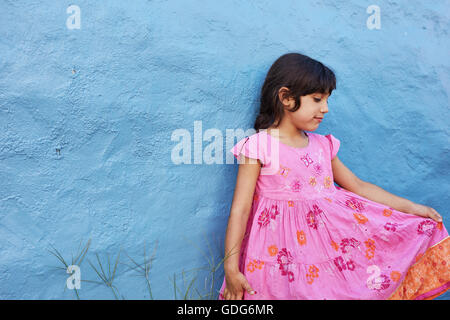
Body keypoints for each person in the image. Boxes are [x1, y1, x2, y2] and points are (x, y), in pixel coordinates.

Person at [217, 52, 449, 300]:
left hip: (326, 255)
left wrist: (412, 208)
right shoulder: (258, 147)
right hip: (277, 258)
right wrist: (230, 268)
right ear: (285, 97)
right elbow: (240, 210)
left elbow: (358, 186)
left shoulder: (323, 146)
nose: (325, 109)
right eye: (317, 99)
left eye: (327, 100)